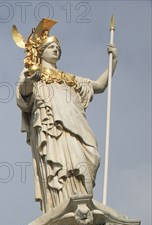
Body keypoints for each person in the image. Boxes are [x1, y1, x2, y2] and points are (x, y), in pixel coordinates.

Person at [15, 19, 118, 213]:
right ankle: (60, 208)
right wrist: (31, 77)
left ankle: (83, 203)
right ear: (41, 51)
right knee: (59, 166)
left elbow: (99, 86)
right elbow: (24, 94)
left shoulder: (70, 79)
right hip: (52, 129)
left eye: (57, 47)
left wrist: (113, 63)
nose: (56, 50)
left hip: (76, 126)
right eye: (51, 46)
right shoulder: (33, 73)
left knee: (90, 157)